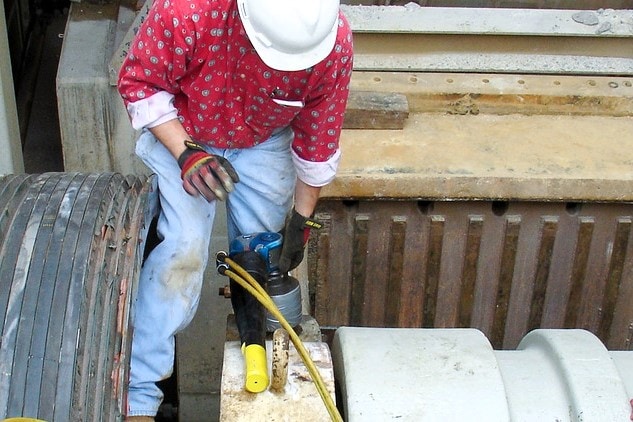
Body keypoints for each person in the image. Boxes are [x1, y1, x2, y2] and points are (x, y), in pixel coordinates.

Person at [117, 0, 353, 419]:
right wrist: (185, 153)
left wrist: (302, 220)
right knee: (182, 252)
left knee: (262, 259)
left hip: (263, 138)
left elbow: (318, 139)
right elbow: (140, 83)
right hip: (184, 124)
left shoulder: (333, 44)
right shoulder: (188, 11)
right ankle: (139, 395)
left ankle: (266, 358)